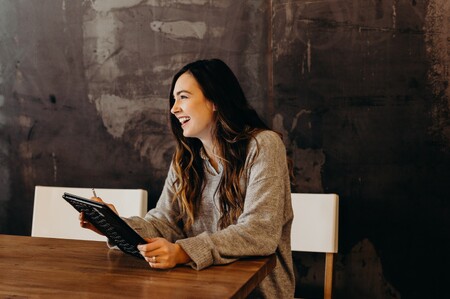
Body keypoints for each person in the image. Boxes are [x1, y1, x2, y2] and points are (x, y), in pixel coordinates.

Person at [80, 58, 295, 298]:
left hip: (255, 292)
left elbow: (259, 232)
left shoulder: (263, 146)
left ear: (215, 100)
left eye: (183, 97)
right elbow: (164, 223)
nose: (174, 109)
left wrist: (183, 252)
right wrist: (115, 225)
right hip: (198, 287)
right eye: (173, 100)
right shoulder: (186, 159)